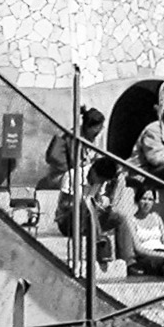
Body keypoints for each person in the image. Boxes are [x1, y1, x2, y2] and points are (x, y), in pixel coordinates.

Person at [52, 107, 135, 269]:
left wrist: (104, 202)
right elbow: (66, 205)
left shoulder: (99, 179)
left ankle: (129, 260)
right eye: (100, 179)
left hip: (90, 219)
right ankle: (99, 242)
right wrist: (87, 203)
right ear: (93, 170)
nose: (100, 183)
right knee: (87, 205)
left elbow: (99, 196)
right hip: (68, 220)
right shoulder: (73, 175)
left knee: (120, 217)